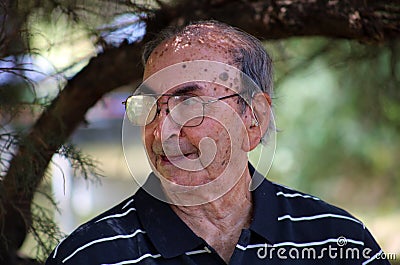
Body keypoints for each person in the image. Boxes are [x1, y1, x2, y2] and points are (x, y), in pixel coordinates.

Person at [46, 20, 389, 265]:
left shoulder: (338, 241)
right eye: (150, 105)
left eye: (189, 103)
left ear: (253, 119)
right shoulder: (91, 255)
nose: (161, 130)